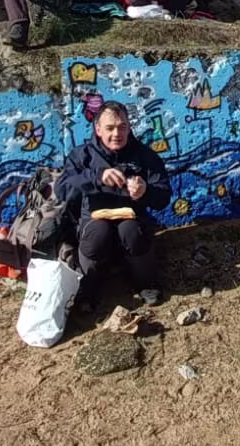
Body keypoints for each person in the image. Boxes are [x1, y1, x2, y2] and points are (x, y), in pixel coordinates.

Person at [55, 101, 172, 305]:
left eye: (122, 127)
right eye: (110, 128)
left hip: (132, 221)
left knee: (131, 231)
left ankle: (145, 282)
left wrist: (145, 191)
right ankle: (88, 287)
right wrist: (96, 177)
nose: (117, 133)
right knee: (97, 233)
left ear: (129, 127)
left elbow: (163, 197)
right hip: (94, 220)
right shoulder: (81, 156)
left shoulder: (145, 155)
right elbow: (62, 189)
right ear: (98, 129)